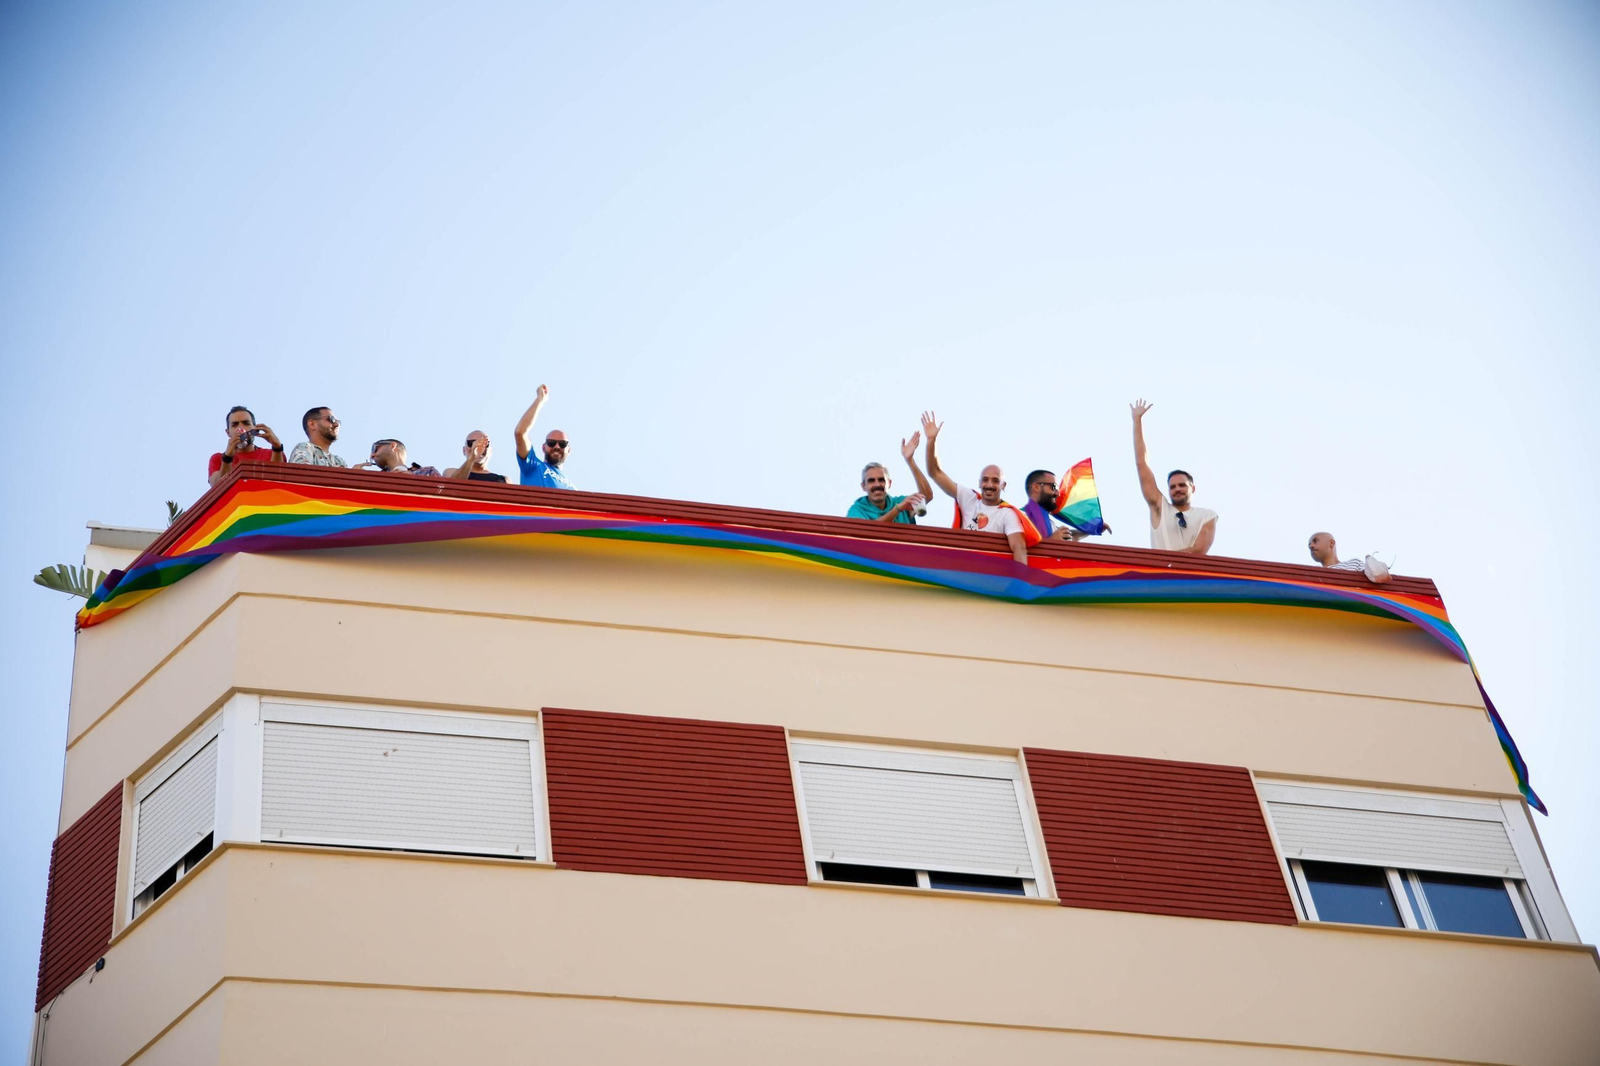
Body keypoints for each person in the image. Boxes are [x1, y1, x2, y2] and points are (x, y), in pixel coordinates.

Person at [921, 411, 1039, 564]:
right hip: (961, 567)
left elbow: (1019, 547)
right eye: (985, 480)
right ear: (979, 483)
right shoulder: (969, 499)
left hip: (987, 574)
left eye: (995, 481)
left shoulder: (1007, 514)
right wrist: (931, 440)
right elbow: (935, 472)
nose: (989, 485)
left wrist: (1020, 582)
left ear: (1003, 485)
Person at [1131, 399, 1217, 554]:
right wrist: (1137, 421)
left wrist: (1165, 561)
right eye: (1172, 487)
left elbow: (1199, 550)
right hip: (1159, 577)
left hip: (1188, 577)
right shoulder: (1160, 509)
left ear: (1193, 488)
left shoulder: (1207, 516)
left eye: (1182, 485)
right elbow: (1141, 464)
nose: (1177, 489)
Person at [847, 432, 933, 524]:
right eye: (871, 481)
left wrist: (910, 460)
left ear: (889, 483)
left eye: (881, 480)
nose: (877, 484)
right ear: (864, 486)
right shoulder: (858, 509)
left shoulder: (900, 502)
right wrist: (898, 509)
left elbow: (926, 496)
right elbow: (867, 532)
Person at [1021, 469, 1112, 543]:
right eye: (1054, 487)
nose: (1058, 493)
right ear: (1036, 487)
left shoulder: (1050, 524)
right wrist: (1051, 541)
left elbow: (1070, 537)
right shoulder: (1021, 516)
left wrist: (1091, 528)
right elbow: (1020, 547)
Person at [513, 385, 576, 489]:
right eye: (551, 443)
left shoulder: (573, 488)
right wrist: (540, 400)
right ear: (543, 447)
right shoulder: (533, 466)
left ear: (569, 450)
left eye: (562, 444)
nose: (557, 446)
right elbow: (520, 432)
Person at [208, 406, 285, 486]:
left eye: (246, 423)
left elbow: (279, 482)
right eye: (235, 425)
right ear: (228, 432)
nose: (241, 428)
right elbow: (217, 487)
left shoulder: (273, 453)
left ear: (255, 428)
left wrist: (277, 447)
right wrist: (227, 458)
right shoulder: (218, 458)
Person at [1308, 532, 1392, 583]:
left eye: (1315, 541)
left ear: (1331, 543)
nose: (1311, 546)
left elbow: (1379, 576)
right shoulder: (1313, 575)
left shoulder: (1354, 563)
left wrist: (1371, 562)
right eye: (1309, 545)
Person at [357, 439, 442, 477]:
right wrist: (357, 476)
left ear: (393, 446)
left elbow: (442, 491)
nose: (372, 455)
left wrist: (415, 480)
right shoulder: (376, 478)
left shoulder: (428, 471)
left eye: (375, 449)